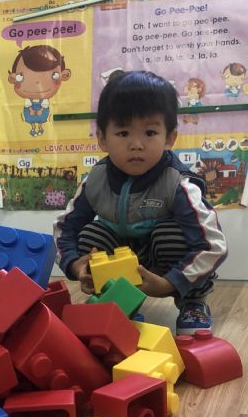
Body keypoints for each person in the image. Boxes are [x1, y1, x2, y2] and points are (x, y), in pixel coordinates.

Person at [53, 70, 228, 334]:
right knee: (91, 235)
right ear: (102, 139)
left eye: (150, 132)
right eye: (123, 133)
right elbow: (64, 229)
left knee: (173, 235)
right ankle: (118, 302)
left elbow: (213, 246)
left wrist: (171, 283)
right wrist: (75, 265)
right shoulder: (96, 180)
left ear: (169, 138)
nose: (136, 144)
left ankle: (193, 302)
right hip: (123, 259)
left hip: (164, 263)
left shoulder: (178, 183)